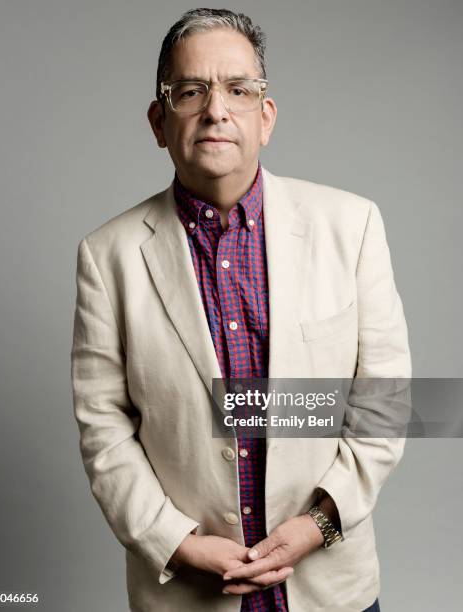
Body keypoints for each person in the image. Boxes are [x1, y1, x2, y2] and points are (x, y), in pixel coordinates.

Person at [70, 8, 410, 612]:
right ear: (158, 119)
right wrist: (176, 544)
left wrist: (317, 527)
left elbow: (385, 399)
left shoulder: (351, 226)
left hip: (331, 589)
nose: (216, 109)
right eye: (190, 91)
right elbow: (104, 429)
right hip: (188, 592)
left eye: (238, 89)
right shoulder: (107, 255)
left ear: (266, 115)